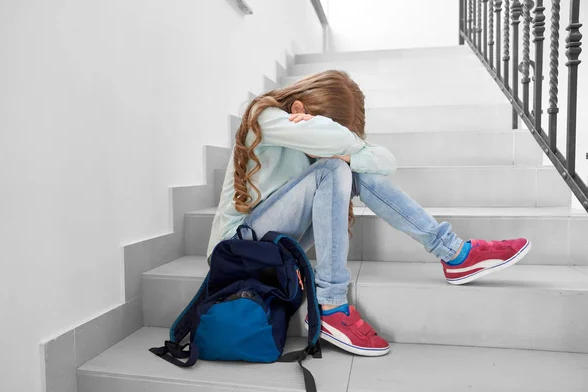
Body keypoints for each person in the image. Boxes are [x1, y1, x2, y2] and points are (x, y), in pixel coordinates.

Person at [206, 70, 531, 357]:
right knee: (334, 166)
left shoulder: (312, 135)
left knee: (350, 167)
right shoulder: (265, 116)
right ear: (299, 109)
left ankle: (454, 253)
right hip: (235, 250)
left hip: (271, 246)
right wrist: (333, 138)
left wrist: (344, 148)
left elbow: (386, 161)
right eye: (325, 123)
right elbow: (342, 145)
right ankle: (331, 304)